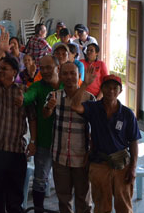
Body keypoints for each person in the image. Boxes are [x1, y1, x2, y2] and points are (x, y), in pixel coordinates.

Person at [70, 71, 140, 213]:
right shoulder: (93, 108)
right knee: (101, 206)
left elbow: (133, 141)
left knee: (124, 206)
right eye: (108, 87)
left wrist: (133, 167)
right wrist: (85, 84)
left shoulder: (127, 114)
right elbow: (75, 106)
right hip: (99, 163)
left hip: (122, 165)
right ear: (102, 89)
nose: (111, 91)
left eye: (115, 88)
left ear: (120, 91)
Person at [0, 28, 34, 213]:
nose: (0, 71)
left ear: (14, 71)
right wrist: (0, 51)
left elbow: (32, 118)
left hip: (15, 151)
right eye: (0, 68)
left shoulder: (23, 91)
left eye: (5, 69)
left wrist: (33, 141)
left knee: (14, 200)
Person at [43, 62, 94, 213]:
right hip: (60, 156)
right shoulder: (54, 96)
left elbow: (95, 130)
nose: (69, 77)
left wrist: (90, 152)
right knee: (63, 199)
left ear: (79, 76)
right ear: (60, 76)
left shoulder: (90, 99)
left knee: (83, 199)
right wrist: (49, 107)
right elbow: (45, 115)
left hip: (82, 157)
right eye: (65, 73)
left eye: (73, 73)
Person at [22, 55, 63, 213]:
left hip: (64, 144)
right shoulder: (38, 87)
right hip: (44, 143)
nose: (45, 71)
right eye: (42, 68)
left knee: (64, 183)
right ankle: (38, 209)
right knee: (40, 181)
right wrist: (20, 97)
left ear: (57, 68)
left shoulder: (67, 86)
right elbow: (27, 97)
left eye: (49, 67)